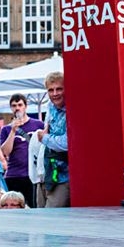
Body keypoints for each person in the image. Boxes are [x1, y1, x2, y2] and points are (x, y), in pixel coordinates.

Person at [0, 94, 44, 207]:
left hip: (34, 174)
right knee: (14, 207)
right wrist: (13, 131)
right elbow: (5, 152)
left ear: (25, 106)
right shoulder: (6, 129)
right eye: (14, 105)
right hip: (15, 175)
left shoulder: (38, 124)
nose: (17, 108)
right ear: (11, 108)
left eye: (20, 105)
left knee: (35, 206)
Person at [36, 72, 70, 208]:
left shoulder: (72, 109)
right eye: (51, 90)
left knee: (55, 220)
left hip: (63, 176)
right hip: (46, 173)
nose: (55, 93)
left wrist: (45, 138)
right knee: (41, 219)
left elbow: (66, 143)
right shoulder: (50, 106)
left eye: (59, 89)